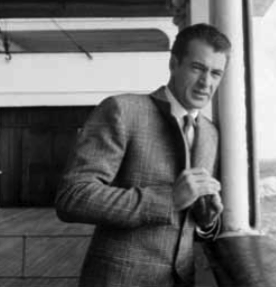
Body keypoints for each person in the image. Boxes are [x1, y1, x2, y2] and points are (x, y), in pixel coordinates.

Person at [55, 23, 232, 287]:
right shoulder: (122, 111)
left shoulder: (211, 134)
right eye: (197, 68)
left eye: (216, 73)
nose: (206, 82)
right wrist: (169, 200)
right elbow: (73, 197)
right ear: (173, 64)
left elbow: (189, 224)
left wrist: (206, 221)